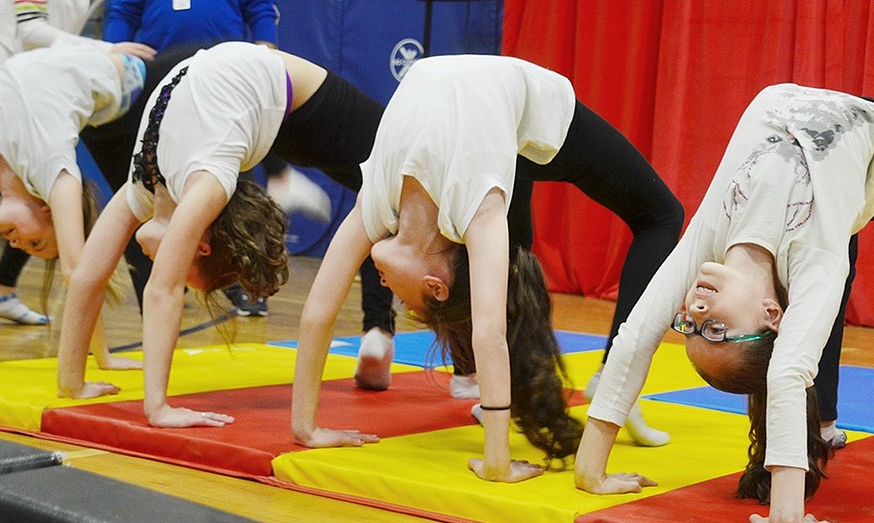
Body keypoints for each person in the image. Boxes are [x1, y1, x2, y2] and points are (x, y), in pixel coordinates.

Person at [574, 83, 874, 523]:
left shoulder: (706, 243)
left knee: (826, 265)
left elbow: (635, 336)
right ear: (772, 314)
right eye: (715, 328)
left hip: (822, 150)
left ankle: (823, 426)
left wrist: (590, 470)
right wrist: (785, 517)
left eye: (689, 324)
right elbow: (788, 370)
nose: (695, 307)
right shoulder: (814, 262)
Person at [290, 54, 684, 482]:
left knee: (661, 215)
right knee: (507, 264)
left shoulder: (397, 203)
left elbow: (488, 333)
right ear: (436, 285)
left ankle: (614, 374)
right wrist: (305, 429)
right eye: (408, 304)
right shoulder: (472, 209)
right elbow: (318, 314)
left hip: (532, 120)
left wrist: (496, 462)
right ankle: (514, 398)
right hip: (483, 124)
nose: (385, 288)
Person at [55, 42, 388, 417]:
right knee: (387, 191)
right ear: (201, 249)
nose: (173, 269)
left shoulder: (171, 188)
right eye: (188, 278)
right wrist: (74, 383)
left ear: (201, 247)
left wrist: (157, 406)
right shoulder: (185, 187)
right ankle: (283, 183)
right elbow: (95, 276)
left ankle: (414, 342)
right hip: (264, 101)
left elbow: (151, 287)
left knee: (396, 186)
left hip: (297, 97)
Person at [0, 0, 156, 338]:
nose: (20, 242)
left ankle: (0, 289)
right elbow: (31, 30)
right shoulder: (52, 175)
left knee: (18, 204)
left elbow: (72, 267)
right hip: (22, 77)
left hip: (61, 77)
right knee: (16, 201)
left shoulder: (46, 176)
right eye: (36, 245)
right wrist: (105, 49)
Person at [104, 0, 337, 317]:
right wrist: (115, 46)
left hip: (224, 73)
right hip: (162, 77)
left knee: (226, 191)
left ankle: (242, 285)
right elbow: (122, 10)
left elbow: (259, 7)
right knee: (155, 190)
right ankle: (158, 288)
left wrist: (264, 45)